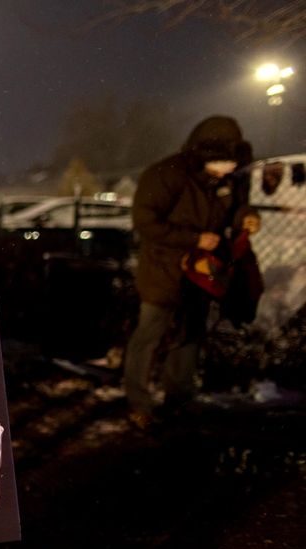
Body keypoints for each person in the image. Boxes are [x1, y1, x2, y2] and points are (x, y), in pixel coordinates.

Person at [123, 115, 260, 429]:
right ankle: (138, 402)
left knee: (190, 337)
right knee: (149, 337)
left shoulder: (227, 181)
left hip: (201, 276)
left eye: (232, 163)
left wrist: (247, 217)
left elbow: (237, 209)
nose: (229, 169)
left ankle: (180, 397)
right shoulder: (166, 175)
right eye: (224, 162)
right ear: (205, 155)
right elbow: (146, 221)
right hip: (163, 272)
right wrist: (193, 239)